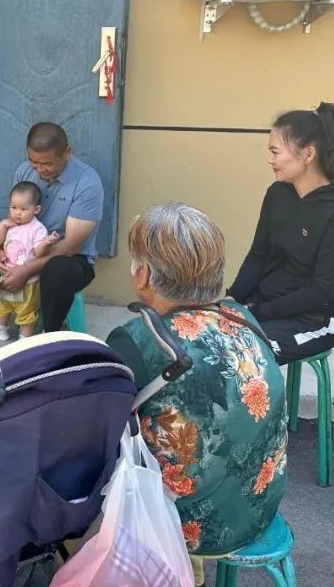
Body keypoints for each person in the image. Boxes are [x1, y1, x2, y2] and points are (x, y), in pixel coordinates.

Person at [106, 203, 287, 587]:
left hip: (193, 526)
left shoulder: (141, 341)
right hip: (261, 504)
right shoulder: (241, 316)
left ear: (142, 274)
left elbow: (98, 424)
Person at [227, 102, 334, 365]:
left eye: (276, 151)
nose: (270, 160)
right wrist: (233, 300)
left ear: (308, 154)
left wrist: (257, 313)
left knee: (235, 354)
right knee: (197, 337)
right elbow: (258, 255)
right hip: (264, 307)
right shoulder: (277, 195)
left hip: (314, 321)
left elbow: (324, 290)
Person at [0, 122, 103, 335]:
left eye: (47, 164)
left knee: (60, 269)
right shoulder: (25, 171)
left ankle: (48, 333)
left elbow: (70, 246)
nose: (39, 169)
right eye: (33, 161)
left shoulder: (87, 183)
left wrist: (26, 270)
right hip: (20, 252)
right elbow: (14, 219)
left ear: (67, 152)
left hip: (66, 259)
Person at [0, 181, 59, 341]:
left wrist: (46, 243)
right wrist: (3, 225)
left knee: (26, 309)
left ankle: (25, 337)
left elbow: (39, 253)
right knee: (2, 303)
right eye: (13, 208)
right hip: (7, 274)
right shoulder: (10, 224)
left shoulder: (37, 228)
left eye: (23, 209)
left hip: (28, 281)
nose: (17, 213)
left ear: (36, 210)